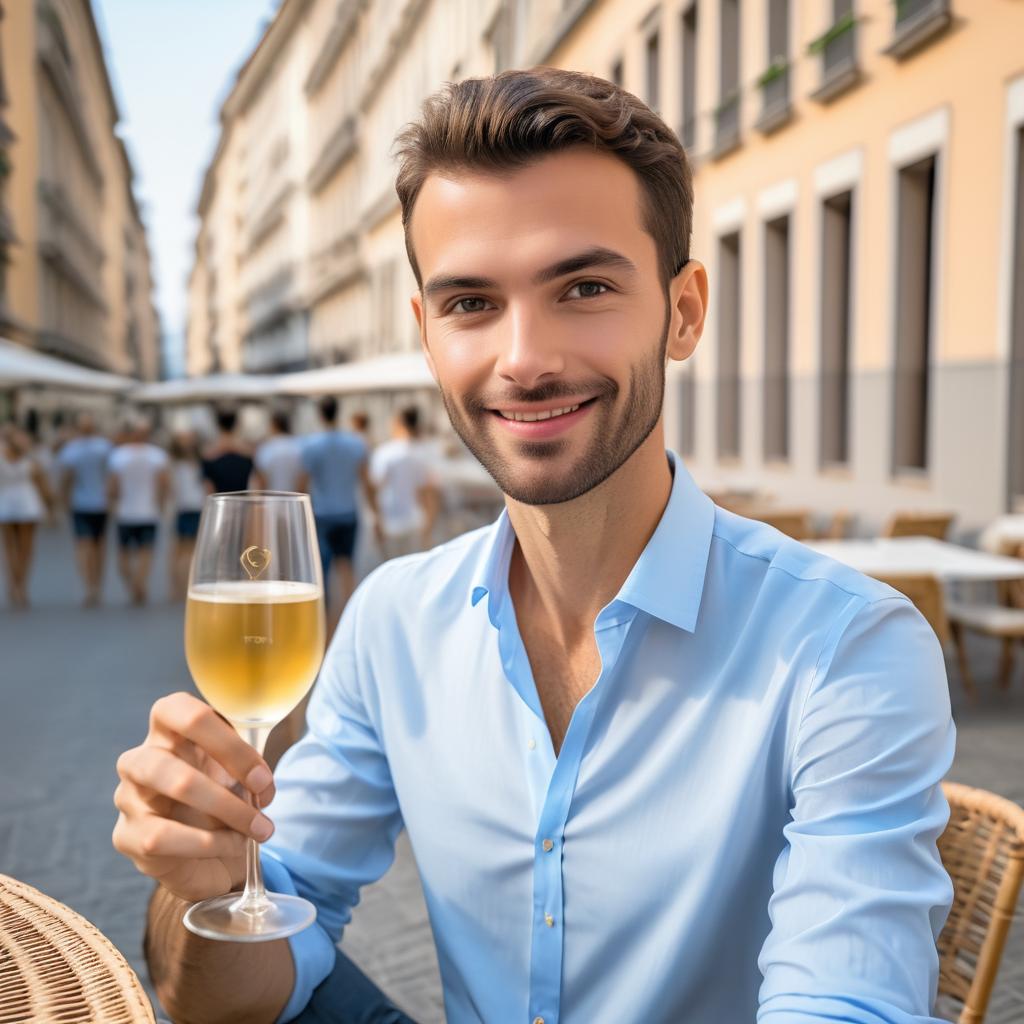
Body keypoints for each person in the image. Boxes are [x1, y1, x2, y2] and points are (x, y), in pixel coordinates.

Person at [114, 69, 956, 1024]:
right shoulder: (395, 623)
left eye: (584, 286)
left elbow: (842, 1004)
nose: (525, 358)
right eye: (472, 303)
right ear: (429, 335)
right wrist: (210, 885)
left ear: (683, 312)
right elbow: (231, 996)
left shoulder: (847, 648)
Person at [297, 395, 373, 622]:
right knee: (347, 567)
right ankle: (351, 620)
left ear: (320, 414)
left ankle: (325, 628)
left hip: (321, 514)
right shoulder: (355, 443)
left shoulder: (311, 445)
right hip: (348, 512)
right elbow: (366, 481)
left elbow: (301, 485)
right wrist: (376, 512)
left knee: (322, 574)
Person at [108, 419, 169, 606]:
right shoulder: (157, 455)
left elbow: (113, 486)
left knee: (124, 554)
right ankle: (139, 584)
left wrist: (112, 503)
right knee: (146, 552)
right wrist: (161, 504)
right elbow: (164, 483)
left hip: (126, 511)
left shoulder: (118, 455)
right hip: (148, 511)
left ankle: (134, 586)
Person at [57, 412, 113, 606]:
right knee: (96, 546)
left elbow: (66, 478)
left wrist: (63, 501)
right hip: (96, 503)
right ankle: (94, 585)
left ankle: (91, 585)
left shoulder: (72, 449)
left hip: (83, 503)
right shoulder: (104, 446)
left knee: (86, 546)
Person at [369, 406, 438, 559]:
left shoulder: (385, 452)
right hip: (415, 521)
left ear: (398, 423)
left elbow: (375, 489)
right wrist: (429, 524)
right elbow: (428, 492)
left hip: (390, 522)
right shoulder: (422, 452)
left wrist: (376, 520)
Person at [0, 424, 52, 608]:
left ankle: (13, 584)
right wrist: (50, 507)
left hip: (5, 505)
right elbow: (42, 484)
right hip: (27, 504)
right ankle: (21, 585)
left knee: (10, 550)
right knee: (25, 550)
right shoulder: (30, 459)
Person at [167, 432, 206, 601]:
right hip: (184, 509)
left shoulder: (199, 464)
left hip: (193, 508)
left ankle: (183, 586)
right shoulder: (176, 464)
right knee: (181, 551)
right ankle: (178, 586)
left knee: (187, 551)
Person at [201, 407, 254, 494]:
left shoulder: (209, 455)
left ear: (218, 425)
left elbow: (208, 487)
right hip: (242, 501)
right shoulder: (248, 453)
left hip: (221, 501)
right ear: (236, 424)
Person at [251, 409, 303, 492]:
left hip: (271, 501)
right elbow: (303, 480)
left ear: (274, 425)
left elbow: (261, 480)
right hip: (293, 501)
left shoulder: (266, 448)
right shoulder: (299, 446)